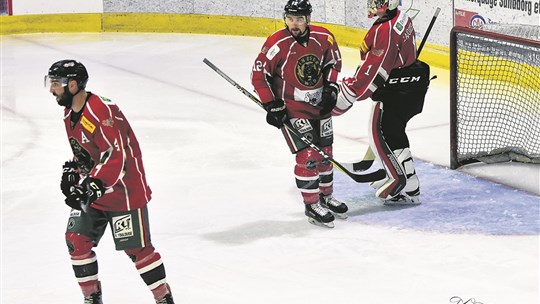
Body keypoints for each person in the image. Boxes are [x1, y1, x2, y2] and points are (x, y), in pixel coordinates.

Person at [45, 59, 175, 304]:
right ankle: (92, 298)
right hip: (96, 189)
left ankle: (163, 298)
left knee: (137, 250)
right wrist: (74, 169)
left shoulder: (99, 110)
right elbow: (87, 149)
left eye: (56, 84)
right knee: (77, 241)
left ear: (73, 85)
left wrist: (93, 184)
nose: (52, 90)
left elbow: (115, 155)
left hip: (124, 190)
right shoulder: (69, 112)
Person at [251, 0, 348, 228]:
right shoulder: (276, 43)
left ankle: (326, 196)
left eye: (299, 19)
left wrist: (331, 87)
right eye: (291, 19)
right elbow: (258, 76)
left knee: (326, 153)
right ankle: (312, 203)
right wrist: (272, 104)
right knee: (308, 156)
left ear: (308, 19)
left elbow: (334, 62)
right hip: (293, 108)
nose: (294, 24)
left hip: (321, 107)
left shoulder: (324, 37)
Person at [332, 0, 431, 205]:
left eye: (378, 2)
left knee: (381, 131)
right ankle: (403, 176)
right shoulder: (400, 16)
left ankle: (403, 183)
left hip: (397, 90)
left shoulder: (384, 30)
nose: (373, 5)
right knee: (393, 131)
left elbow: (375, 71)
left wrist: (346, 96)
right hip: (410, 85)